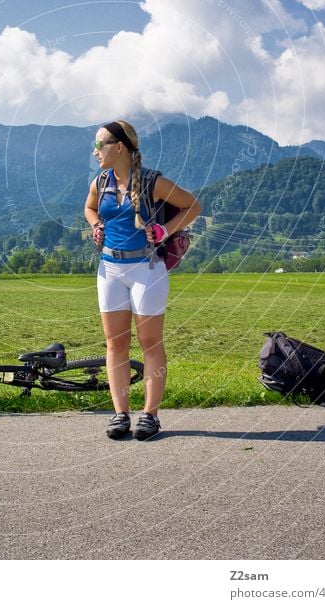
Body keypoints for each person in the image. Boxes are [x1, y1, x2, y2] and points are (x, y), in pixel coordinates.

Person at [84, 120, 201, 440]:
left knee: (150, 343)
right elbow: (89, 208)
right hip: (109, 270)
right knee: (116, 343)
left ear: (118, 147)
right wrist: (96, 224)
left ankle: (150, 415)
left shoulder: (153, 182)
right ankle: (120, 414)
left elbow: (193, 205)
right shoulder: (100, 181)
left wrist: (166, 230)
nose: (95, 152)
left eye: (100, 145)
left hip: (146, 270)